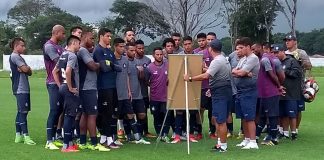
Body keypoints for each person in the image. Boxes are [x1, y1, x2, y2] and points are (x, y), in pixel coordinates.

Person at [184, 39, 233, 152]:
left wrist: (190, 78)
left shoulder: (217, 61)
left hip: (220, 92)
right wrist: (205, 68)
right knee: (217, 119)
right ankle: (220, 143)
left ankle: (223, 146)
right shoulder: (222, 60)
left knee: (221, 120)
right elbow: (212, 72)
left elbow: (206, 76)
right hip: (221, 91)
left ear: (210, 49)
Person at [76, 31, 110, 151]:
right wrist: (101, 63)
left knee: (85, 114)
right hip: (87, 88)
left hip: (87, 88)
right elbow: (92, 66)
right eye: (91, 38)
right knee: (92, 115)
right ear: (84, 38)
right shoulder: (83, 50)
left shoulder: (85, 51)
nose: (93, 40)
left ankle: (83, 141)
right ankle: (95, 143)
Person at [114, 40, 150, 144]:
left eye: (135, 50)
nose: (134, 52)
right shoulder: (123, 61)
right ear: (126, 50)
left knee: (141, 114)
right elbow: (126, 77)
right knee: (125, 115)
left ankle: (138, 135)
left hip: (137, 94)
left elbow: (141, 78)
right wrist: (128, 91)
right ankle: (129, 135)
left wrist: (141, 72)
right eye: (131, 50)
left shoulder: (138, 62)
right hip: (125, 94)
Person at [52, 35, 81, 152]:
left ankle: (69, 143)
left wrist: (61, 86)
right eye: (79, 44)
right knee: (70, 116)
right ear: (73, 43)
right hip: (70, 88)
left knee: (68, 114)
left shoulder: (63, 54)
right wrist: (69, 87)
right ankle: (66, 146)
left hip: (63, 87)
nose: (80, 46)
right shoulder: (72, 55)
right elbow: (68, 71)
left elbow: (55, 71)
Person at [93, 28, 119, 148]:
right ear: (101, 36)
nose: (110, 38)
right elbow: (103, 68)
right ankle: (108, 138)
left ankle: (104, 137)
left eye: (110, 36)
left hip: (112, 85)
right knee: (105, 113)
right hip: (103, 86)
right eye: (108, 36)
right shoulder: (97, 50)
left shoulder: (109, 51)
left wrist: (110, 64)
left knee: (111, 112)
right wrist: (110, 65)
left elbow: (118, 68)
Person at [255, 42, 285, 146]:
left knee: (272, 115)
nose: (254, 52)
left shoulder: (266, 59)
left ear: (262, 48)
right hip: (263, 93)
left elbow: (277, 75)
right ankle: (256, 137)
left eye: (255, 50)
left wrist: (278, 86)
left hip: (270, 92)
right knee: (262, 115)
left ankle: (273, 138)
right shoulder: (264, 59)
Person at [232, 37, 260, 149]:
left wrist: (242, 73)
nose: (238, 51)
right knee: (243, 116)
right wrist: (240, 73)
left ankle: (253, 141)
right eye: (237, 48)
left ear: (248, 47)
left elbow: (241, 72)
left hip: (249, 90)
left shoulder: (253, 58)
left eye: (241, 48)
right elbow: (234, 71)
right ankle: (247, 139)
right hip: (240, 90)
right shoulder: (243, 59)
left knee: (249, 117)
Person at [172, 36, 198, 143]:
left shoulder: (197, 56)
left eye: (189, 44)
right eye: (185, 44)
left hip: (193, 86)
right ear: (183, 45)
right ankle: (177, 135)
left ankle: (191, 134)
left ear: (192, 44)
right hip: (180, 87)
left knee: (192, 112)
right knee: (179, 111)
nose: (187, 46)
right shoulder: (178, 56)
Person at [283, 34, 312, 135]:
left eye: (289, 40)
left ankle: (296, 129)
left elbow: (309, 66)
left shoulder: (301, 52)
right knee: (286, 107)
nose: (287, 42)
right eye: (286, 40)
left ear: (295, 42)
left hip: (299, 84)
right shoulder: (284, 53)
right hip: (286, 83)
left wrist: (300, 61)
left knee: (298, 108)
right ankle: (285, 130)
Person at [10, 37, 36, 146]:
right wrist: (26, 68)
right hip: (21, 88)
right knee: (23, 112)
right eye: (22, 45)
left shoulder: (19, 57)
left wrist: (27, 68)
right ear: (16, 46)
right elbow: (26, 70)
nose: (24, 48)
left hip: (22, 87)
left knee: (20, 111)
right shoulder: (15, 56)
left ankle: (18, 135)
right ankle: (26, 136)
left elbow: (28, 71)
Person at [274, 44, 303, 140]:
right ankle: (284, 132)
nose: (276, 54)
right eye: (274, 53)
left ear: (283, 51)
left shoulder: (292, 61)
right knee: (282, 114)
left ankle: (294, 132)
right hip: (280, 91)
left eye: (277, 52)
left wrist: (285, 71)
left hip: (291, 92)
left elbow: (296, 73)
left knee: (292, 113)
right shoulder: (276, 62)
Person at [43, 25, 65, 149]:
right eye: (62, 33)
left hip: (61, 83)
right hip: (52, 83)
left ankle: (55, 137)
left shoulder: (59, 47)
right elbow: (59, 62)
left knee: (60, 110)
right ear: (56, 33)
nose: (63, 35)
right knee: (54, 110)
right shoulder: (49, 46)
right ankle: (49, 141)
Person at [146, 47, 172, 143]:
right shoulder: (149, 68)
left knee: (166, 116)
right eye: (157, 54)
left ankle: (165, 135)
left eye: (161, 54)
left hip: (166, 98)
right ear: (153, 55)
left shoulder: (168, 65)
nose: (159, 56)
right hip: (154, 97)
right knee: (156, 117)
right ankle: (159, 134)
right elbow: (146, 81)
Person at [193, 32, 216, 140]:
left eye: (212, 40)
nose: (208, 41)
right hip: (201, 86)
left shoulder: (217, 54)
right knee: (200, 109)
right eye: (208, 39)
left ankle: (213, 131)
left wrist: (206, 69)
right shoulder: (198, 53)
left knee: (212, 111)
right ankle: (199, 131)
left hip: (213, 86)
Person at [134, 39, 155, 138]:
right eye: (139, 48)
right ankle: (135, 132)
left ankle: (145, 132)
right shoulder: (131, 59)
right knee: (133, 113)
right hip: (134, 91)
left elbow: (150, 75)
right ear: (135, 48)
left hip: (144, 91)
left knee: (144, 112)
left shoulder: (147, 60)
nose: (141, 50)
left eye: (143, 48)